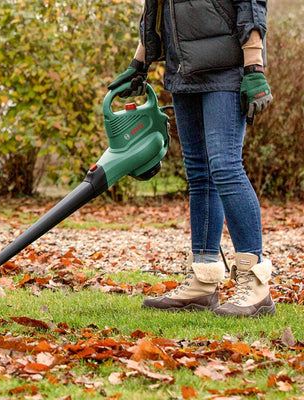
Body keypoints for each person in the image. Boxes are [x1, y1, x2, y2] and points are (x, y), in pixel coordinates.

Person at [108, 0, 274, 317]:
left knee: (225, 167)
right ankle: (202, 279)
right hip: (183, 69)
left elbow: (250, 5)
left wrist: (254, 66)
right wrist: (139, 62)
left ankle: (255, 284)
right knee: (199, 174)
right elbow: (155, 8)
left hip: (226, 67)